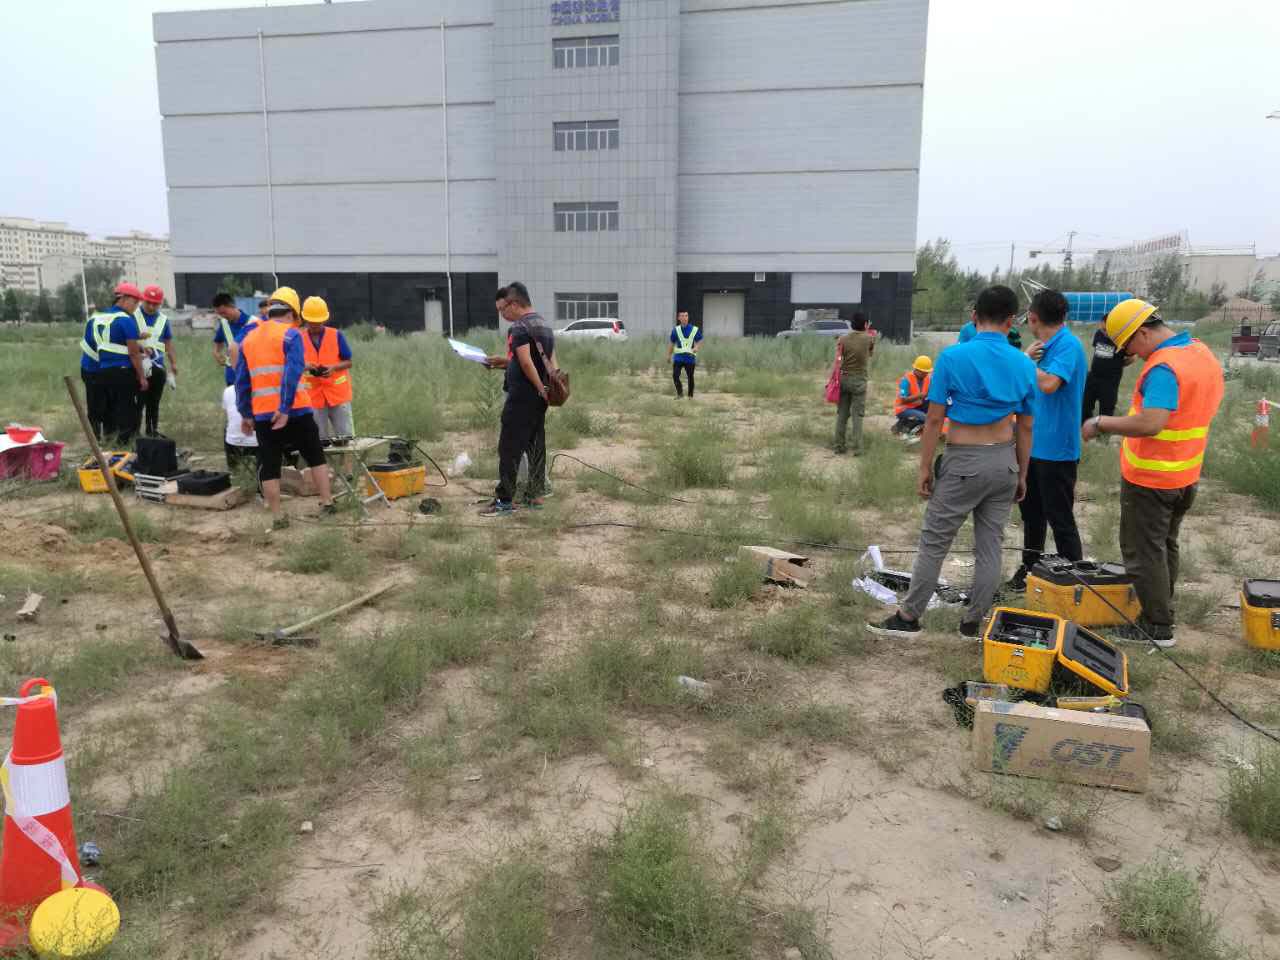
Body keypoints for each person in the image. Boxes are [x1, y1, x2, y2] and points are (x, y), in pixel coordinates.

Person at [867, 285, 1037, 639]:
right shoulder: (1024, 363)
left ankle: (909, 618)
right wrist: (1022, 473)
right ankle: (973, 622)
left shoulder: (952, 358)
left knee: (935, 543)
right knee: (990, 546)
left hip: (963, 462)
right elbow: (1026, 426)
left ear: (974, 317)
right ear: (1011, 321)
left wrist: (924, 468)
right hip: (1005, 461)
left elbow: (933, 420)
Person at [1081, 299, 1225, 648]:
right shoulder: (1200, 352)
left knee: (1143, 551)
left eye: (1129, 346)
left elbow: (1151, 422)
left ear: (1143, 333)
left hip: (1153, 479)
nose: (1131, 355)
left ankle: (1157, 626)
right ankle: (1162, 606)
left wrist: (1101, 422)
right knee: (1164, 545)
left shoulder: (1164, 367)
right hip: (1185, 473)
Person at [1007, 289, 1088, 590]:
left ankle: (1076, 579)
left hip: (1058, 449)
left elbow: (1051, 383)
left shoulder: (1068, 345)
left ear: (1032, 318)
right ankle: (1030, 569)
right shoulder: (1043, 348)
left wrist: (1025, 362)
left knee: (1060, 517)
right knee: (1032, 515)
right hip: (1032, 444)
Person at [234, 287, 334, 530]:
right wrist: (285, 407)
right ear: (291, 314)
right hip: (295, 409)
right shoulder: (291, 335)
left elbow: (241, 380)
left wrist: (245, 413)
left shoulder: (249, 339)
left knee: (270, 465)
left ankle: (278, 517)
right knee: (315, 456)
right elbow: (292, 372)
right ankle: (327, 503)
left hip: (263, 413)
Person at [482, 281, 556, 516]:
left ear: (513, 304)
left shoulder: (519, 328)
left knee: (509, 448)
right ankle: (534, 496)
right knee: (536, 447)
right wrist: (547, 390)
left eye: (502, 309)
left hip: (522, 397)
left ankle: (504, 501)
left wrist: (539, 388)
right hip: (538, 399)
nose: (502, 315)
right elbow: (550, 362)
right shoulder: (544, 325)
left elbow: (526, 362)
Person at [86, 282, 148, 445]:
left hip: (102, 370)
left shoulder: (96, 318)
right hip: (123, 370)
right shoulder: (126, 320)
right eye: (135, 302)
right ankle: (124, 443)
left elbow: (95, 345)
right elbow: (133, 353)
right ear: (123, 299)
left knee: (109, 408)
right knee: (126, 408)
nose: (136, 307)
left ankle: (108, 439)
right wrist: (142, 377)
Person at [299, 296, 355, 442]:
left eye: (318, 322)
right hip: (313, 397)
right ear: (305, 319)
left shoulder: (336, 335)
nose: (315, 325)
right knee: (318, 441)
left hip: (338, 396)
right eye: (311, 322)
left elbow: (348, 362)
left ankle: (347, 458)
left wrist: (333, 368)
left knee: (346, 439)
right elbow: (292, 365)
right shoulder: (298, 338)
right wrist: (306, 366)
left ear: (324, 319)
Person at [135, 285, 178, 437]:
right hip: (137, 367)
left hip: (157, 367)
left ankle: (152, 431)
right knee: (138, 402)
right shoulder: (133, 316)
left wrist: (173, 363)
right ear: (143, 300)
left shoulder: (163, 320)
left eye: (155, 304)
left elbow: (168, 344)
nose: (152, 306)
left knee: (153, 402)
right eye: (149, 303)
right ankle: (135, 433)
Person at [833, 312, 875, 455]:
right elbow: (870, 354)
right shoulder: (869, 339)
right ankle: (857, 448)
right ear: (865, 324)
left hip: (844, 378)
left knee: (842, 414)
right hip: (859, 380)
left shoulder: (843, 339)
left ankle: (839, 446)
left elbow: (839, 357)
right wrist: (867, 330)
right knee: (857, 415)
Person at [1082, 314, 1132, 424]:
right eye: (1102, 329)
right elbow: (1098, 351)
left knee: (1107, 409)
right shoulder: (1099, 334)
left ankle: (1103, 428)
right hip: (1094, 375)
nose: (1104, 332)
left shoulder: (1123, 340)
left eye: (1106, 330)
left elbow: (1132, 357)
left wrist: (1118, 364)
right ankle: (1085, 423)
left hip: (1110, 380)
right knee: (1085, 403)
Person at [212, 293, 255, 388]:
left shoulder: (254, 322)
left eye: (224, 312)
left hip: (251, 377)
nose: (223, 316)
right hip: (232, 378)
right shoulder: (224, 324)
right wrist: (216, 353)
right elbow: (217, 343)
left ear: (232, 306)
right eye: (220, 314)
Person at [222, 382, 260, 476]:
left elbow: (227, 413)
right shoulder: (262, 389)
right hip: (258, 445)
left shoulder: (228, 390)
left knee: (226, 428)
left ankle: (233, 470)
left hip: (233, 444)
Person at [892, 355, 933, 436]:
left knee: (934, 410)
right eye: (924, 372)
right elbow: (903, 400)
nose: (926, 374)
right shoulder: (906, 380)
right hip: (903, 409)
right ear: (917, 370)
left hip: (918, 405)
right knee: (925, 418)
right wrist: (920, 395)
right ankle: (900, 428)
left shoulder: (927, 378)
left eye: (927, 372)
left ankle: (911, 426)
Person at [668, 310, 702, 398]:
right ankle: (680, 394)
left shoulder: (694, 329)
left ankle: (690, 396)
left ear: (688, 317)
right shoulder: (675, 330)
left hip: (690, 358)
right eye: (682, 316)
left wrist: (696, 347)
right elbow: (671, 344)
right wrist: (669, 356)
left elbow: (699, 341)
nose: (684, 318)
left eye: (686, 316)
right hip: (678, 358)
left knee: (690, 377)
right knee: (675, 376)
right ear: (679, 318)